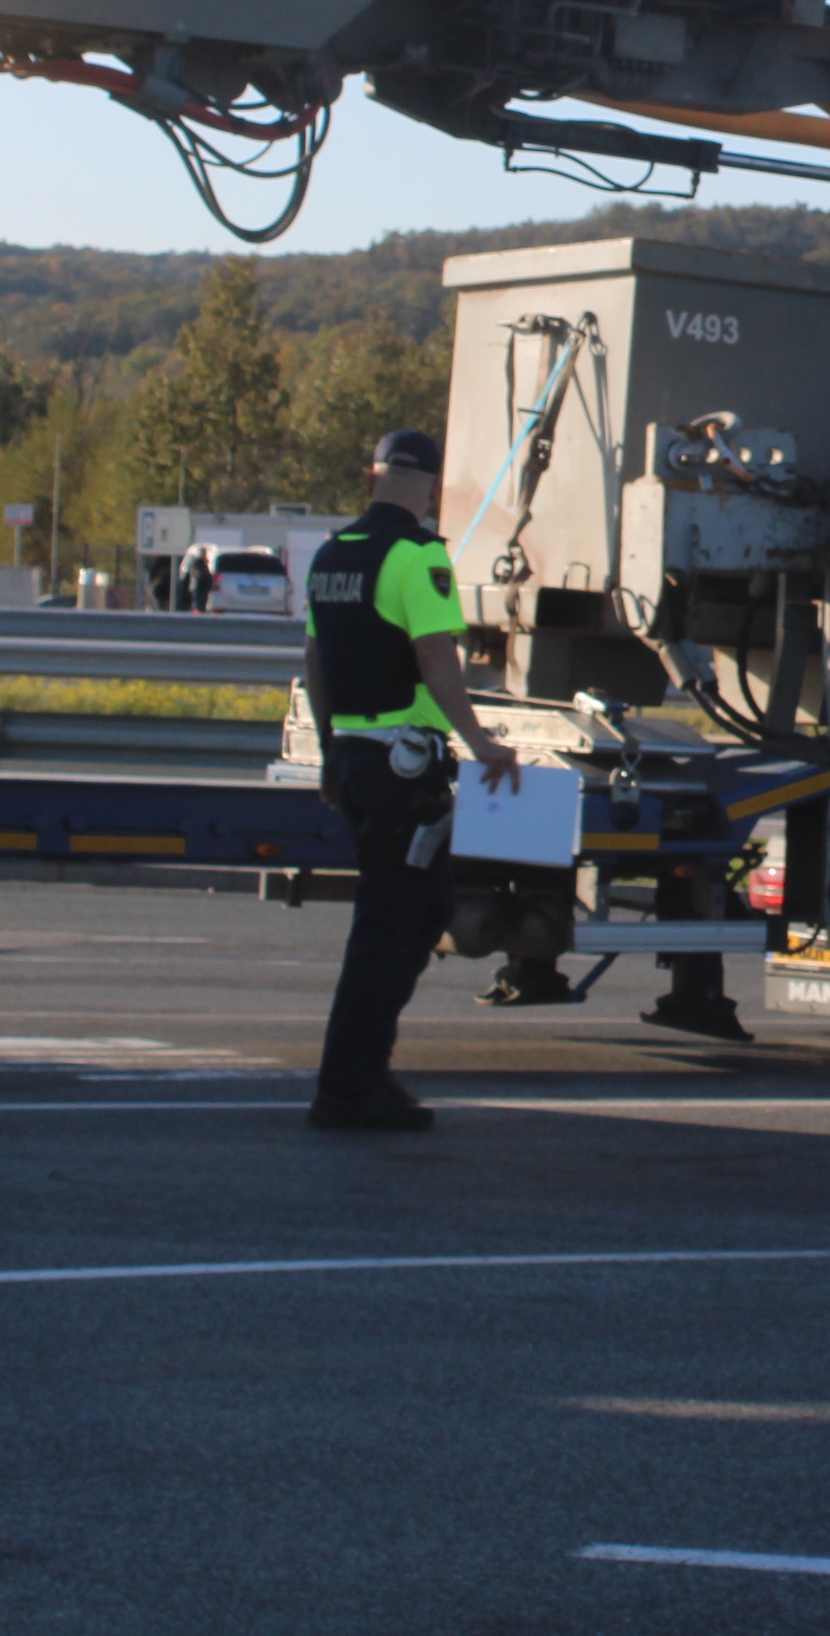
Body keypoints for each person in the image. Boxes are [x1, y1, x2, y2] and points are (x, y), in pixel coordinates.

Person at [301, 427, 519, 1131]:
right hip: (403, 764)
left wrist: (333, 750)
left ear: (372, 475)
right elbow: (436, 659)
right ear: (431, 484)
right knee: (387, 927)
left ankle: (367, 1072)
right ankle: (346, 1088)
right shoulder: (418, 554)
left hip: (359, 758)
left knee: (423, 911)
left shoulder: (333, 554)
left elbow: (316, 661)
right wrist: (481, 740)